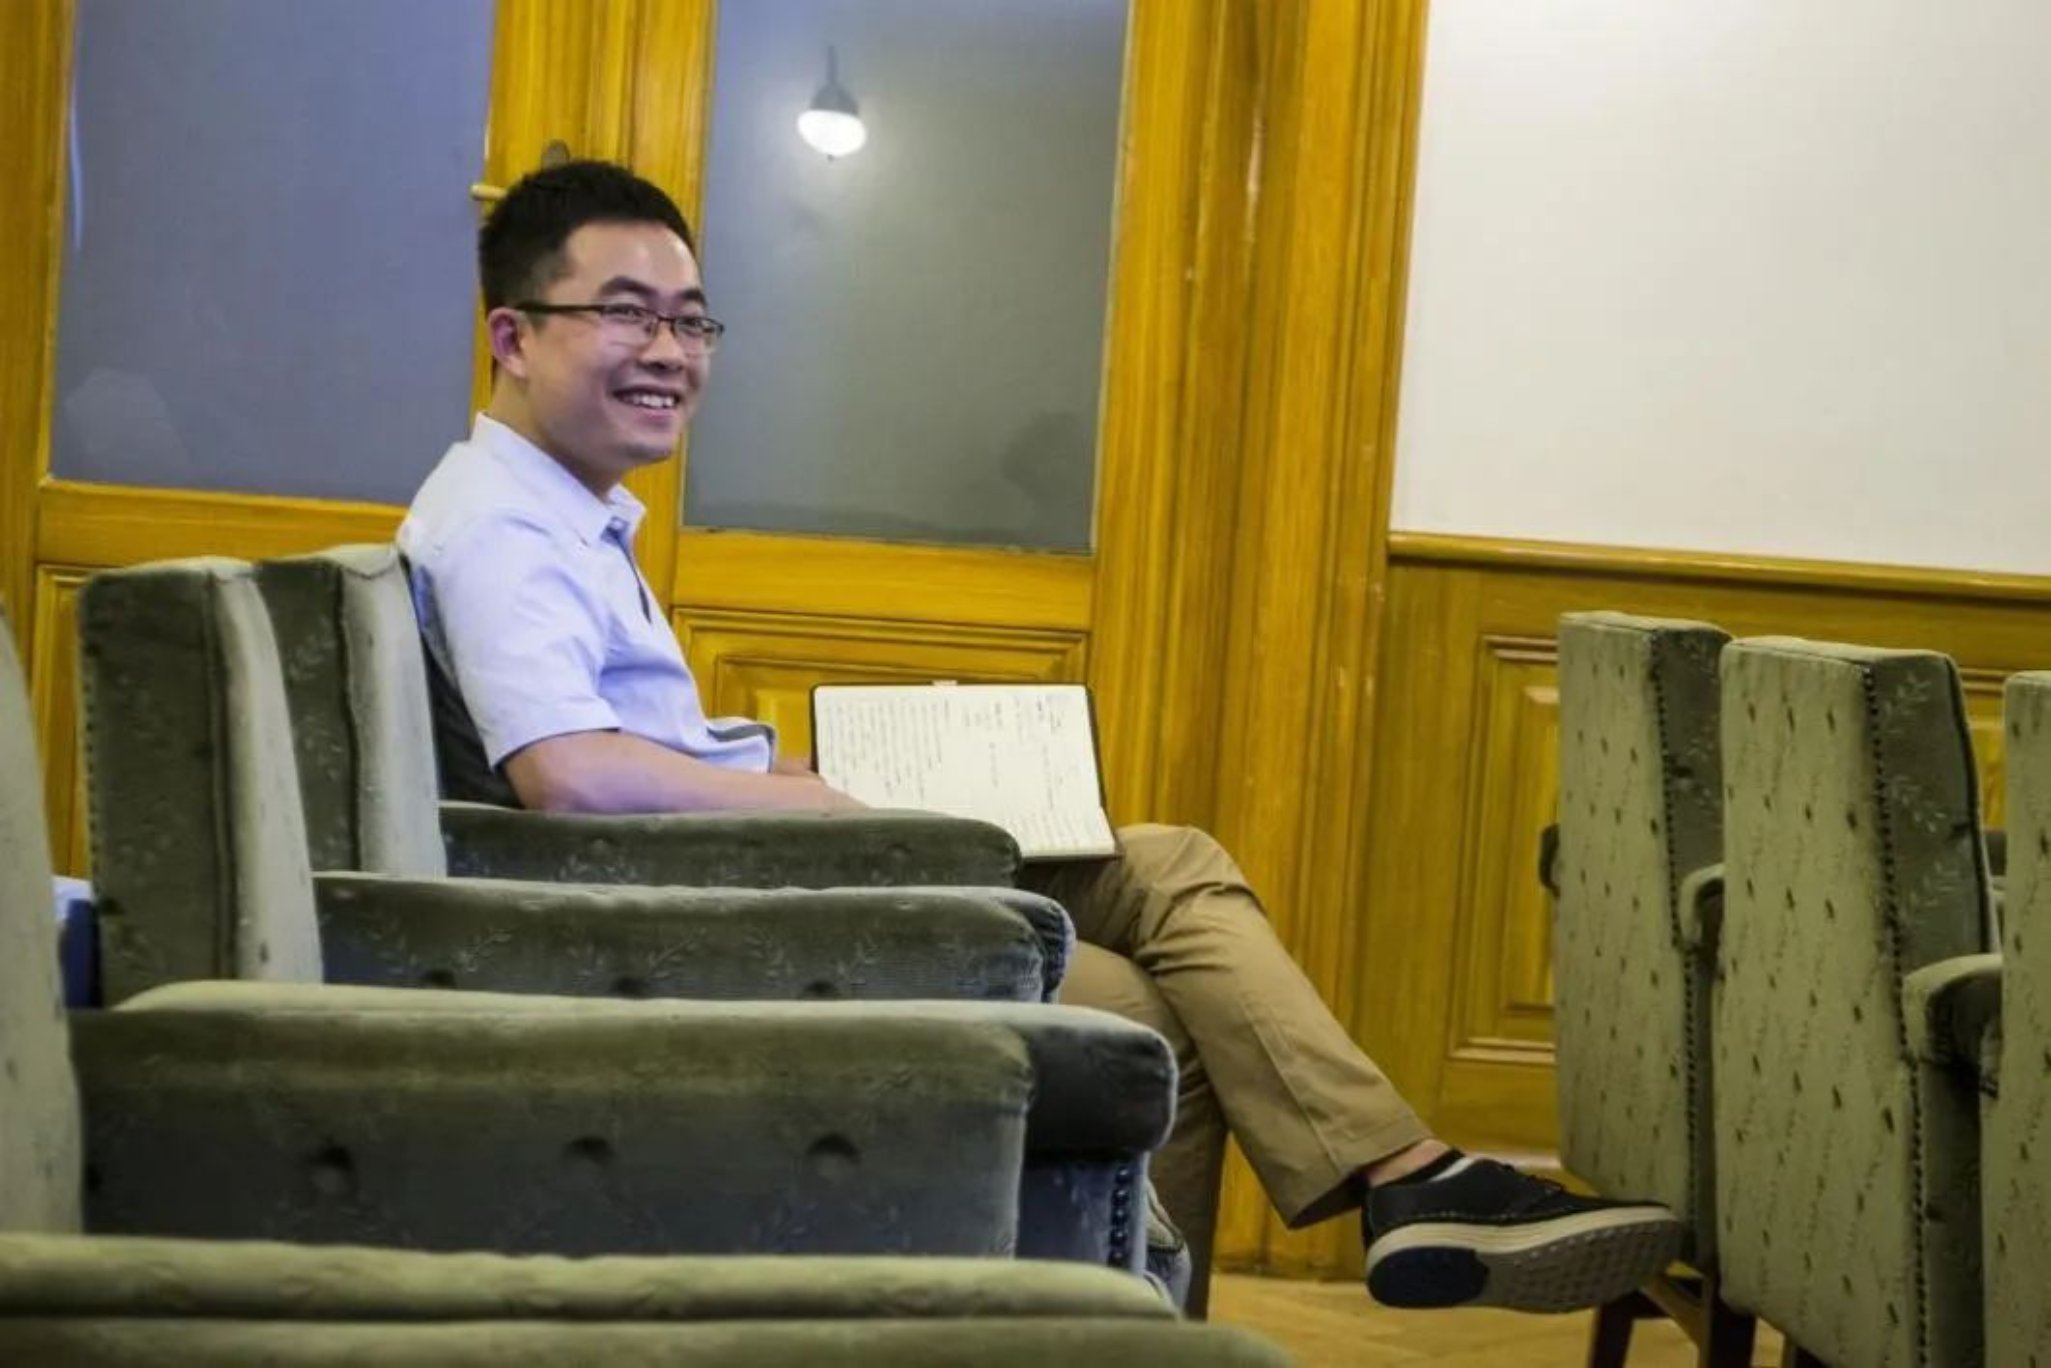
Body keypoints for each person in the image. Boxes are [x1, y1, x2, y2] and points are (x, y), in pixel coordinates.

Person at [398, 160, 1681, 1312]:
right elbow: (567, 776)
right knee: (1136, 1013)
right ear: (513, 335)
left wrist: (786, 764)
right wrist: (830, 808)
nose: (669, 350)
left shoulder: (563, 514)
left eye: (689, 320)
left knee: (1168, 863)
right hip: (732, 924)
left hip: (761, 873)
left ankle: (1401, 1178)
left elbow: (628, 742)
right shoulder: (502, 532)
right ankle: (1206, 1289)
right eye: (626, 313)